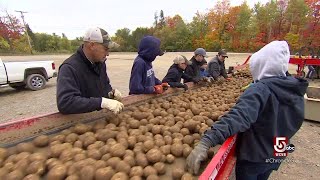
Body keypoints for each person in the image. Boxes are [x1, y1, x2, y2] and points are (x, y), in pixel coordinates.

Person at [186, 41, 308, 180]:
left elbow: (239, 116)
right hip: (277, 152)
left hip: (255, 156)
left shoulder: (261, 89)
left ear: (262, 65)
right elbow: (296, 122)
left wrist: (207, 140)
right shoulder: (295, 89)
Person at [57, 27, 124, 114]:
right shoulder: (69, 68)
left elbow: (105, 85)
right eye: (105, 49)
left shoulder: (100, 63)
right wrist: (101, 102)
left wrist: (110, 93)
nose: (108, 53)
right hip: (79, 123)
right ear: (92, 45)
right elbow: (66, 103)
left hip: (99, 119)